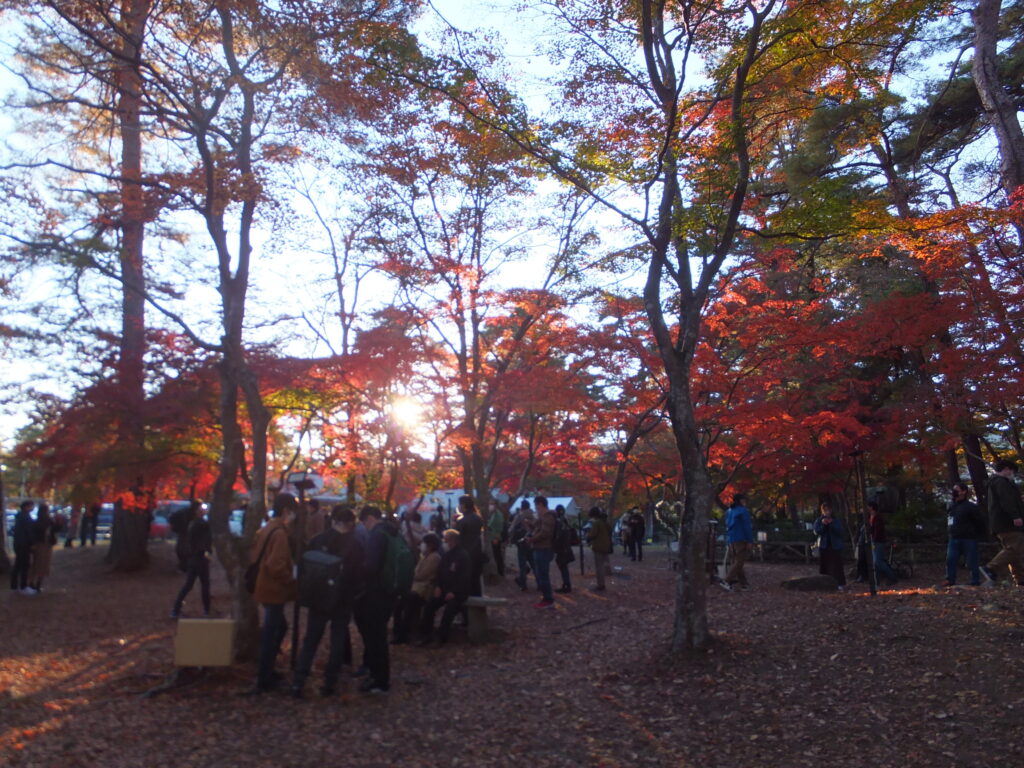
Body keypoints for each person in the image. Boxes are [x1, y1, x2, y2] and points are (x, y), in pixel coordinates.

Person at [292, 506, 364, 698]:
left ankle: (299, 680)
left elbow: (303, 567)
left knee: (311, 638)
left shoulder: (317, 540)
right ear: (351, 524)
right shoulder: (355, 545)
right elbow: (359, 575)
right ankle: (330, 682)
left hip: (318, 597)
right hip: (343, 598)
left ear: (332, 521)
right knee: (337, 639)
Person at [248, 493, 299, 695]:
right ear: (286, 511)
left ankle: (267, 671)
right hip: (273, 589)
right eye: (293, 511)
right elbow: (275, 565)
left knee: (278, 627)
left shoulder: (267, 528)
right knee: (272, 632)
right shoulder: (279, 534)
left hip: (264, 586)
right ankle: (265, 676)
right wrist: (291, 579)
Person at [353, 505, 395, 694]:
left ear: (370, 518)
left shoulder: (377, 535)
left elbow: (371, 567)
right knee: (378, 636)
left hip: (376, 593)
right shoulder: (392, 531)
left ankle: (379, 680)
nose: (364, 526)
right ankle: (378, 676)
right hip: (389, 590)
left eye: (364, 521)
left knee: (376, 637)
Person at [419, 529, 472, 646]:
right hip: (444, 590)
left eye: (446, 541)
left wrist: (454, 592)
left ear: (453, 541)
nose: (444, 543)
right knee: (429, 606)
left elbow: (464, 578)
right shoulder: (447, 555)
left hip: (458, 593)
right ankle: (425, 634)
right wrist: (438, 586)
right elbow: (440, 572)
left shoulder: (463, 555)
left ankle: (441, 637)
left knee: (450, 610)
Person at [981, 459, 1024, 586]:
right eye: (1012, 471)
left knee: (1015, 551)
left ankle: (1020, 579)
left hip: (1000, 523)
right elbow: (1006, 501)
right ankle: (990, 568)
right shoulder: (1001, 482)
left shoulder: (995, 483)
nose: (1012, 474)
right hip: (1007, 522)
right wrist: (1015, 516)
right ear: (1006, 469)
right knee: (1014, 548)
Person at [171, 503, 212, 618]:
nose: (204, 510)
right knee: (204, 584)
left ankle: (176, 609)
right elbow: (205, 541)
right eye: (201, 508)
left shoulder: (192, 523)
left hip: (193, 558)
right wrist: (207, 553)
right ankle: (207, 610)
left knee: (189, 584)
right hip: (200, 558)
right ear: (196, 511)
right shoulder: (201, 524)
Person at [400, 532, 441, 644]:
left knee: (409, 604)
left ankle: (406, 633)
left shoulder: (435, 557)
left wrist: (414, 576)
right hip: (417, 587)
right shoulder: (424, 556)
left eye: (424, 543)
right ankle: (404, 632)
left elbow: (421, 574)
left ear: (430, 545)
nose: (421, 545)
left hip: (424, 590)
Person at [943, 482, 985, 587]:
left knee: (972, 561)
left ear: (963, 492)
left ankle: (975, 580)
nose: (954, 492)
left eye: (957, 489)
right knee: (950, 560)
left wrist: (976, 533)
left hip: (968, 538)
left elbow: (979, 522)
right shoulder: (951, 506)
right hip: (953, 537)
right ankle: (950, 580)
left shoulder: (971, 507)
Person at [527, 496, 556, 608]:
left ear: (540, 505)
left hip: (544, 548)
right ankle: (546, 598)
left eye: (536, 506)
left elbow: (545, 533)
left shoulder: (548, 516)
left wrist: (532, 539)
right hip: (540, 548)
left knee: (543, 574)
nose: (536, 508)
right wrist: (529, 524)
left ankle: (548, 600)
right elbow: (537, 527)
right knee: (541, 574)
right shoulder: (543, 517)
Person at [455, 495, 484, 598]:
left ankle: (468, 609)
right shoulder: (478, 518)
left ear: (463, 505)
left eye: (459, 504)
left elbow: (458, 538)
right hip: (477, 553)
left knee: (466, 582)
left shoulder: (463, 521)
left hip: (465, 554)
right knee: (476, 582)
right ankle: (478, 607)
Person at [813, 503, 847, 590]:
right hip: (824, 546)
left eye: (828, 510)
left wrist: (831, 524)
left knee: (837, 565)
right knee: (824, 565)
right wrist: (823, 525)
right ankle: (824, 583)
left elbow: (840, 532)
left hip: (835, 546)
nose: (827, 512)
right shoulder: (819, 520)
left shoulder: (836, 520)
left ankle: (840, 583)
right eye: (825, 510)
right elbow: (816, 531)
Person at [723, 494, 753, 590]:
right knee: (739, 562)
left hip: (732, 538)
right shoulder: (743, 511)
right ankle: (726, 581)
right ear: (741, 500)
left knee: (737, 561)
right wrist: (749, 540)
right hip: (741, 538)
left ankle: (744, 584)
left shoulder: (729, 511)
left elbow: (727, 525)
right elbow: (747, 527)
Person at [867, 501, 898, 587]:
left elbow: (878, 530)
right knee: (875, 562)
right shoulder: (870, 517)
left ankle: (892, 577)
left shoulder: (878, 517)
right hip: (874, 541)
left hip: (879, 542)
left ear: (872, 507)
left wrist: (874, 539)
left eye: (868, 506)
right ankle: (877, 581)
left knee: (878, 561)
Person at [29, 503, 56, 593]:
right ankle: (37, 584)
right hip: (44, 544)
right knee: (42, 564)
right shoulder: (47, 521)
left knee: (37, 564)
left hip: (41, 544)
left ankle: (33, 582)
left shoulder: (37, 521)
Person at [11, 501, 35, 594]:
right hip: (24, 544)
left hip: (18, 543)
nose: (32, 508)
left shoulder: (19, 516)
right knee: (25, 565)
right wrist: (32, 543)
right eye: (31, 506)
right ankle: (23, 586)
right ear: (26, 507)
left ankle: (14, 586)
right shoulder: (25, 517)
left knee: (18, 565)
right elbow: (29, 532)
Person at [509, 503, 535, 591]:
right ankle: (540, 583)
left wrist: (510, 539)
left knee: (522, 564)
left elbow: (511, 529)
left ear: (522, 508)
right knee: (534, 564)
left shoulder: (519, 516)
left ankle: (523, 584)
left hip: (521, 543)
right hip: (532, 542)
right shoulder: (533, 515)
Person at [586, 507, 612, 591]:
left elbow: (593, 534)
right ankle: (602, 582)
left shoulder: (597, 523)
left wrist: (587, 536)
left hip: (598, 546)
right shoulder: (606, 523)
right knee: (603, 564)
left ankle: (601, 584)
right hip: (606, 545)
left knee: (599, 566)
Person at [553, 504, 575, 593]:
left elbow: (558, 536)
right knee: (564, 566)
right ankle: (566, 584)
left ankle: (566, 585)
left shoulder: (559, 522)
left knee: (563, 566)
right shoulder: (565, 521)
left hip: (562, 548)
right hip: (566, 547)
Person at [487, 506, 506, 577]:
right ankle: (499, 571)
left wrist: (496, 538)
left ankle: (500, 572)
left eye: (491, 504)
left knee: (497, 556)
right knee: (496, 555)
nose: (490, 506)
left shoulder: (498, 515)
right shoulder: (494, 514)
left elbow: (499, 528)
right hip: (493, 537)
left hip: (495, 537)